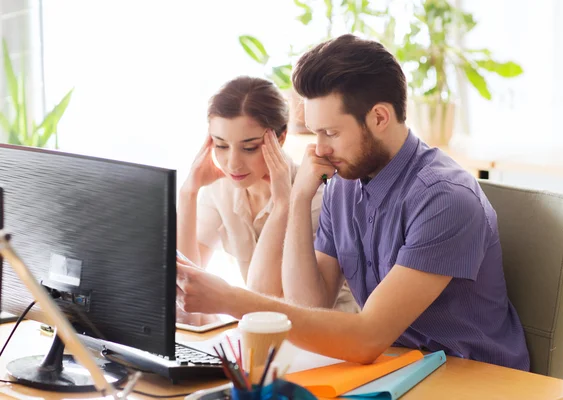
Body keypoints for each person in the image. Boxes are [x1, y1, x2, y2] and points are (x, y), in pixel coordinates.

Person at [176, 35, 530, 370]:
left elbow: (367, 337)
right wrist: (298, 197)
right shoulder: (343, 185)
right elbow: (309, 307)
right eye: (314, 133)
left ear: (379, 118)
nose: (319, 149)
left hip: (472, 377)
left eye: (330, 132)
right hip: (396, 367)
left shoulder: (444, 198)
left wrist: (230, 299)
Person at [177, 76, 359, 318]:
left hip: (326, 334)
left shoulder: (316, 196)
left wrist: (283, 204)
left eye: (249, 147)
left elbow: (262, 297)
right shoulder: (223, 189)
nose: (233, 163)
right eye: (221, 145)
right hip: (265, 332)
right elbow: (184, 284)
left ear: (280, 138)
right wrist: (188, 192)